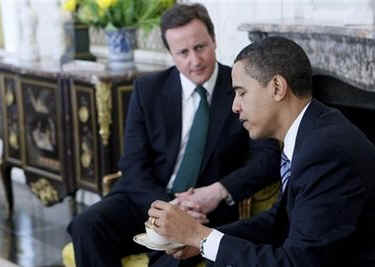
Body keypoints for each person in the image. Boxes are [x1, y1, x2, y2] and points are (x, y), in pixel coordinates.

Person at [67, 4, 281, 267]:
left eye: (200, 47)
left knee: (173, 261)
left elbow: (268, 158)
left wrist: (217, 191)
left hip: (203, 212)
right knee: (86, 226)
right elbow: (132, 165)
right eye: (183, 52)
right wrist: (168, 207)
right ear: (171, 54)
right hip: (147, 200)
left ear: (214, 40)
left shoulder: (242, 89)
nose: (195, 60)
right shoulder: (148, 90)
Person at [148, 36, 375, 267]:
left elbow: (296, 263)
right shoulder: (311, 130)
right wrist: (202, 239)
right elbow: (278, 221)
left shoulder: (325, 152)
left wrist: (200, 237)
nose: (235, 106)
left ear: (277, 87)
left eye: (241, 92)